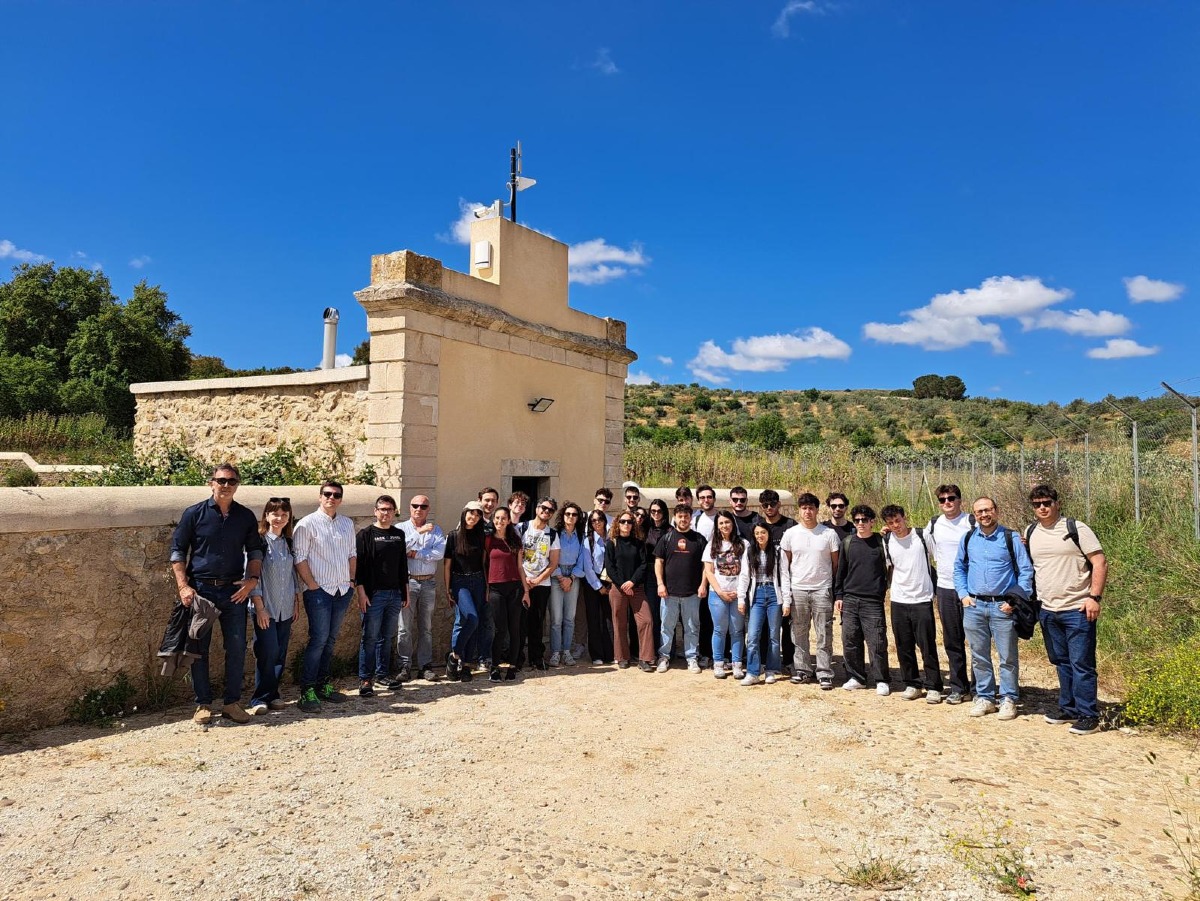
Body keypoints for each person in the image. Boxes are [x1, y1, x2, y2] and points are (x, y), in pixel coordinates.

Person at [170, 463, 265, 725]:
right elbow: (178, 551)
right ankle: (203, 704)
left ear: (237, 485)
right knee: (199, 649)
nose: (226, 486)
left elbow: (255, 552)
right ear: (211, 483)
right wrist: (183, 586)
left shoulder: (245, 516)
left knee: (236, 648)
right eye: (221, 481)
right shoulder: (194, 514)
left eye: (231, 481)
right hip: (202, 591)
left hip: (235, 592)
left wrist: (251, 581)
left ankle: (232, 703)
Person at [1025, 485, 1108, 736]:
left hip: (1077, 608)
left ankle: (1088, 714)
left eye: (1047, 502)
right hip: (1048, 609)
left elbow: (1100, 561)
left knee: (1081, 663)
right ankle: (1068, 707)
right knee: (1061, 662)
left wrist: (1094, 597)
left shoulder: (1076, 528)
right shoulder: (1030, 532)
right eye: (1037, 504)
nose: (1042, 507)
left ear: (1057, 503)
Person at [953, 496, 1034, 721]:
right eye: (979, 512)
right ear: (974, 515)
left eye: (987, 510)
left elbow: (1026, 571)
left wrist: (1015, 601)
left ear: (996, 511)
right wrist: (963, 595)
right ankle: (985, 697)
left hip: (1003, 606)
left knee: (1007, 656)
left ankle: (1008, 699)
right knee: (979, 655)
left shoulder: (1010, 538)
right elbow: (958, 567)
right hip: (975, 605)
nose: (984, 515)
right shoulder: (968, 538)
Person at [294, 481, 357, 713]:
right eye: (327, 494)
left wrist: (351, 581)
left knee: (330, 641)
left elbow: (352, 553)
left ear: (340, 499)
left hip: (342, 590)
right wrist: (312, 586)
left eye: (336, 495)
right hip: (319, 592)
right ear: (320, 497)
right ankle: (307, 690)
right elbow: (299, 557)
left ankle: (322, 685)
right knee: (318, 640)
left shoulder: (346, 523)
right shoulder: (306, 524)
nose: (331, 498)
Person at [880, 504, 943, 703]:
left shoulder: (922, 536)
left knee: (927, 645)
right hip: (898, 600)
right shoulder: (887, 540)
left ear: (904, 517)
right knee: (903, 645)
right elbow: (889, 567)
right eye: (890, 523)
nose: (895, 525)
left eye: (898, 520)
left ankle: (934, 686)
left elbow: (938, 557)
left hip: (922, 600)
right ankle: (912, 683)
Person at [247, 497, 302, 715]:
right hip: (265, 607)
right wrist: (259, 607)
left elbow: (292, 576)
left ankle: (273, 694)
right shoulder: (258, 542)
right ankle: (259, 698)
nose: (279, 518)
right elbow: (253, 577)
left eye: (284, 514)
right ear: (267, 516)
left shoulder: (288, 543)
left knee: (280, 653)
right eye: (275, 514)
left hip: (286, 606)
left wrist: (296, 602)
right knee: (266, 651)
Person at [779, 492, 840, 690]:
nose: (808, 512)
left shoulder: (828, 534)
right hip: (798, 589)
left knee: (824, 632)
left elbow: (835, 564)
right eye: (804, 508)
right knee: (799, 632)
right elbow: (785, 565)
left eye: (811, 508)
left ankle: (824, 672)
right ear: (799, 510)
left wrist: (830, 588)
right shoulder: (791, 534)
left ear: (817, 510)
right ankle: (803, 670)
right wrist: (787, 593)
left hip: (822, 589)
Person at [354, 495, 408, 698]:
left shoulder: (398, 535)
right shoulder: (365, 535)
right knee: (369, 637)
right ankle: (365, 678)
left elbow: (403, 565)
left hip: (395, 594)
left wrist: (405, 592)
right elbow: (358, 568)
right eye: (382, 509)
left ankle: (382, 674)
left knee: (387, 637)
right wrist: (361, 593)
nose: (385, 513)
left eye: (389, 509)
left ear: (394, 512)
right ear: (375, 511)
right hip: (373, 595)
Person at [834, 504, 891, 695]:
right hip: (850, 599)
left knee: (877, 641)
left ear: (872, 522)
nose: (860, 523)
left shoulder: (880, 542)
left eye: (864, 520)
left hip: (872, 601)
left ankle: (881, 679)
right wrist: (839, 595)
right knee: (850, 640)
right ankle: (856, 677)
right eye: (857, 520)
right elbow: (840, 572)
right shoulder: (848, 542)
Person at [926, 484, 975, 704]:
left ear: (960, 500)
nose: (947, 502)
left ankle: (980, 688)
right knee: (953, 640)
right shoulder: (934, 525)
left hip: (972, 588)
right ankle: (958, 686)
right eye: (943, 499)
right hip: (945, 587)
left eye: (952, 498)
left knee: (977, 641)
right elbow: (923, 546)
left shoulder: (971, 522)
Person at [653, 504, 709, 673]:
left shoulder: (699, 539)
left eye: (686, 516)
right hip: (668, 593)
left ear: (690, 518)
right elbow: (658, 562)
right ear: (675, 518)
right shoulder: (667, 538)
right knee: (666, 626)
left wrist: (703, 585)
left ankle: (691, 658)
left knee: (692, 627)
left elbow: (706, 566)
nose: (683, 519)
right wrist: (660, 584)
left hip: (692, 593)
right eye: (680, 516)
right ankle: (664, 656)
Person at [399, 494, 445, 682]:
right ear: (409, 507)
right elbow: (399, 550)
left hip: (428, 582)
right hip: (407, 582)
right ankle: (404, 665)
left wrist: (416, 554)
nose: (419, 509)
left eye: (423, 506)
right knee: (404, 627)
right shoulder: (400, 529)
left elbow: (439, 553)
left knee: (426, 627)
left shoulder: (436, 530)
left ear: (428, 508)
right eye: (415, 505)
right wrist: (418, 533)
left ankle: (424, 666)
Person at [738, 522, 792, 685]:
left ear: (768, 534)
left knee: (774, 635)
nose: (760, 536)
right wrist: (741, 598)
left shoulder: (777, 552)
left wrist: (786, 601)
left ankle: (771, 669)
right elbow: (744, 576)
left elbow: (784, 576)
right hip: (757, 595)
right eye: (757, 533)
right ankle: (753, 672)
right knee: (753, 635)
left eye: (763, 532)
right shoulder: (749, 552)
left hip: (774, 595)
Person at [443, 501, 488, 682]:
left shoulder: (481, 536)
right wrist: (448, 589)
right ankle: (455, 656)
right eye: (471, 513)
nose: (474, 517)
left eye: (478, 515)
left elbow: (484, 564)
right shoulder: (453, 536)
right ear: (464, 513)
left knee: (474, 624)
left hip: (478, 581)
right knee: (471, 618)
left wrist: (486, 587)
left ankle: (466, 665)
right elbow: (447, 566)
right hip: (460, 581)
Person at [605, 511, 655, 671]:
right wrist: (623, 585)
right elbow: (610, 567)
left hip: (636, 588)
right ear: (617, 524)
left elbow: (643, 565)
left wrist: (632, 582)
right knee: (619, 622)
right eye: (623, 521)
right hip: (618, 589)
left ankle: (645, 659)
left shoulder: (639, 543)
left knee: (646, 620)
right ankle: (621, 657)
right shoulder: (611, 543)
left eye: (630, 522)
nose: (626, 525)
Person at [702, 511, 748, 680]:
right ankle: (719, 663)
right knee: (720, 630)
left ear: (733, 524)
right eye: (721, 523)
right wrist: (720, 592)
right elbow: (709, 571)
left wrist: (740, 592)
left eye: (727, 522)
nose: (724, 526)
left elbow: (746, 571)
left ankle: (737, 665)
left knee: (737, 630)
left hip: (738, 594)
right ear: (717, 526)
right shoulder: (711, 545)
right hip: (717, 595)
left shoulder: (743, 544)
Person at [485, 506, 528, 683]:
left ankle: (512, 666)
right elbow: (484, 565)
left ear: (509, 521)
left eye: (503, 518)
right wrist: (486, 588)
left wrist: (526, 591)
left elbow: (520, 567)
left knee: (514, 628)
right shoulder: (487, 541)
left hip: (514, 587)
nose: (500, 522)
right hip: (495, 588)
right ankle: (494, 667)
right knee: (499, 629)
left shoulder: (515, 540)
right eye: (497, 518)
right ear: (493, 520)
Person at [757, 489, 796, 671]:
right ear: (761, 506)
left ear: (779, 504)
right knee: (765, 626)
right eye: (765, 505)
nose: (769, 508)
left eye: (773, 504)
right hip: (765, 584)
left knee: (787, 626)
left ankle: (788, 661)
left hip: (787, 582)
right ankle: (766, 660)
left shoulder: (790, 526)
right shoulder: (759, 526)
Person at [521, 498, 561, 671]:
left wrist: (537, 580)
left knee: (537, 622)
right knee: (520, 621)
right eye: (544, 508)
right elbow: (515, 556)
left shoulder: (552, 534)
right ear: (537, 508)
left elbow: (553, 563)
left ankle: (537, 658)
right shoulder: (521, 528)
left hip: (542, 584)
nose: (546, 511)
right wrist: (525, 581)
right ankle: (518, 658)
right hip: (522, 582)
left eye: (550, 510)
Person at [549, 502, 588, 666]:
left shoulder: (581, 536)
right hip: (556, 575)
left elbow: (582, 560)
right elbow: (549, 558)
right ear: (562, 516)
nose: (570, 517)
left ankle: (567, 651)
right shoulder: (555, 534)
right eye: (567, 514)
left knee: (569, 618)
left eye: (574, 514)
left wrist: (571, 578)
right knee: (556, 618)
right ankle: (555, 653)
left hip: (573, 576)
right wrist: (560, 577)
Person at [582, 509, 614, 664]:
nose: (597, 523)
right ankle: (597, 655)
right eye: (593, 520)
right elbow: (587, 566)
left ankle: (611, 653)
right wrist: (597, 586)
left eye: (599, 519)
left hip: (610, 581)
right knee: (594, 618)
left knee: (609, 619)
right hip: (592, 582)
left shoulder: (611, 538)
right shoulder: (587, 540)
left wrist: (611, 582)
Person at [643, 498, 670, 654]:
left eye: (659, 511)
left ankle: (667, 652)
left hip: (667, 575)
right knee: (652, 614)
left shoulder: (670, 531)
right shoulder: (645, 529)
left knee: (666, 616)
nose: (656, 514)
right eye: (653, 511)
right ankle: (652, 650)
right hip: (649, 575)